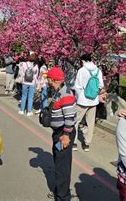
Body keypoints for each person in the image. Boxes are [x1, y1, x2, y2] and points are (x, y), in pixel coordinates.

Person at [45, 67, 77, 201]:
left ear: (53, 79)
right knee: (59, 162)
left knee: (62, 166)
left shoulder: (66, 94)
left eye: (48, 79)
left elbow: (70, 117)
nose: (47, 81)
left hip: (63, 133)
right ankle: (60, 189)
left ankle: (63, 196)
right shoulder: (59, 91)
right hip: (59, 133)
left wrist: (66, 135)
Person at [73, 54, 104, 152]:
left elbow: (77, 86)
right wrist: (94, 93)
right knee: (90, 123)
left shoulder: (82, 70)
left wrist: (80, 96)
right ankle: (87, 144)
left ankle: (74, 142)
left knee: (76, 121)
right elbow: (101, 85)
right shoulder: (98, 70)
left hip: (82, 100)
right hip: (93, 101)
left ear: (83, 61)